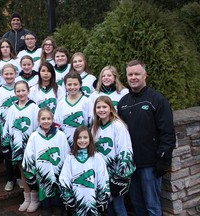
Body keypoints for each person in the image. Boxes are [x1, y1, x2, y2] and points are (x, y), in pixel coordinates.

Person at [117, 60, 176, 216]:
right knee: (137, 205)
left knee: (152, 206)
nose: (133, 77)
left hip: (150, 165)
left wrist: (164, 158)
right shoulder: (123, 103)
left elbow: (167, 132)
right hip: (131, 165)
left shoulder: (157, 100)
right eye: (130, 74)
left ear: (145, 75)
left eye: (137, 74)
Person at [92, 96, 136, 216]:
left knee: (118, 207)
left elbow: (125, 149)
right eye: (98, 107)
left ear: (110, 108)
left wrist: (120, 176)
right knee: (108, 208)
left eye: (104, 107)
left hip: (116, 174)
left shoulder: (117, 126)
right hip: (103, 175)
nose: (101, 110)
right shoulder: (95, 127)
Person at [22, 107, 70, 216]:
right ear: (38, 121)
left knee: (58, 208)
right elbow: (28, 158)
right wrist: (31, 177)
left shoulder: (60, 135)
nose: (46, 121)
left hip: (58, 178)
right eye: (43, 119)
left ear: (53, 120)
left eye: (49, 118)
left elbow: (66, 155)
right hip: (42, 179)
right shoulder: (34, 137)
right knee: (45, 209)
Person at [2, 80, 40, 212]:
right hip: (17, 146)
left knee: (31, 172)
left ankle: (35, 199)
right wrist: (5, 143)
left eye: (23, 90)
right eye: (18, 91)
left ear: (28, 91)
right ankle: (27, 198)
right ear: (15, 93)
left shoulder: (34, 107)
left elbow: (38, 127)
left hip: (30, 146)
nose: (21, 93)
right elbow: (7, 127)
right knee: (23, 172)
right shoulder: (12, 108)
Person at [59, 125, 110, 215]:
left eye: (85, 137)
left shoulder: (97, 157)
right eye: (79, 138)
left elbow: (103, 178)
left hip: (93, 202)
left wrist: (103, 197)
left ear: (90, 139)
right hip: (76, 202)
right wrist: (68, 197)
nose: (82, 141)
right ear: (75, 139)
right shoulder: (70, 158)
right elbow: (64, 178)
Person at [0, 63, 20, 191]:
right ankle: (10, 179)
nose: (9, 76)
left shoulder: (20, 88)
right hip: (4, 129)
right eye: (6, 74)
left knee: (18, 154)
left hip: (19, 130)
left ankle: (18, 177)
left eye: (11, 73)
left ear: (16, 74)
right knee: (7, 156)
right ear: (2, 75)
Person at [54, 72, 92, 147]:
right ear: (65, 86)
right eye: (69, 84)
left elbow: (92, 123)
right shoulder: (61, 104)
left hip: (83, 143)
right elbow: (57, 124)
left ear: (80, 85)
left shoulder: (86, 102)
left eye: (75, 84)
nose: (72, 87)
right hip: (66, 143)